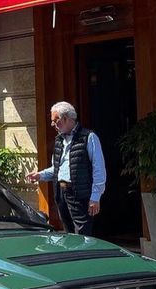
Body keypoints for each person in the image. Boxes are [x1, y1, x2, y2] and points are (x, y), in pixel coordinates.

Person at [26, 101, 106, 236]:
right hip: (61, 193)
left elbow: (99, 169)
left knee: (83, 235)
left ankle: (83, 257)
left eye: (55, 121)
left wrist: (95, 197)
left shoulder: (88, 137)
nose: (52, 124)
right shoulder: (59, 140)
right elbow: (57, 169)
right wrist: (40, 175)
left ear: (66, 119)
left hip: (80, 194)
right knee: (68, 233)